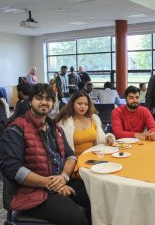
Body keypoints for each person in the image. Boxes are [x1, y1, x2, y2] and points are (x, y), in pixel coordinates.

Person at [0, 83, 91, 225]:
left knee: (95, 197)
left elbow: (71, 156)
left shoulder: (55, 127)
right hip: (31, 190)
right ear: (30, 102)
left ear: (52, 103)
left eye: (48, 99)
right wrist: (52, 184)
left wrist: (63, 176)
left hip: (59, 178)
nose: (44, 102)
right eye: (39, 98)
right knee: (77, 217)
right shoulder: (16, 129)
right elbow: (14, 170)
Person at [55, 90, 115, 157]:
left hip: (94, 157)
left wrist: (108, 138)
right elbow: (60, 147)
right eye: (80, 104)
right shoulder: (64, 122)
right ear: (72, 104)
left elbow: (100, 138)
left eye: (86, 104)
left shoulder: (94, 119)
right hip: (74, 160)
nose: (83, 106)